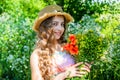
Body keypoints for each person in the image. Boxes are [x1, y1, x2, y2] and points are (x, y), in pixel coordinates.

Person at [30, 5, 91, 80]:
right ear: (45, 26)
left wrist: (83, 67)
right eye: (55, 24)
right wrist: (65, 75)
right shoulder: (37, 54)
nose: (60, 28)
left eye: (62, 24)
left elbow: (77, 69)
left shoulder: (69, 47)